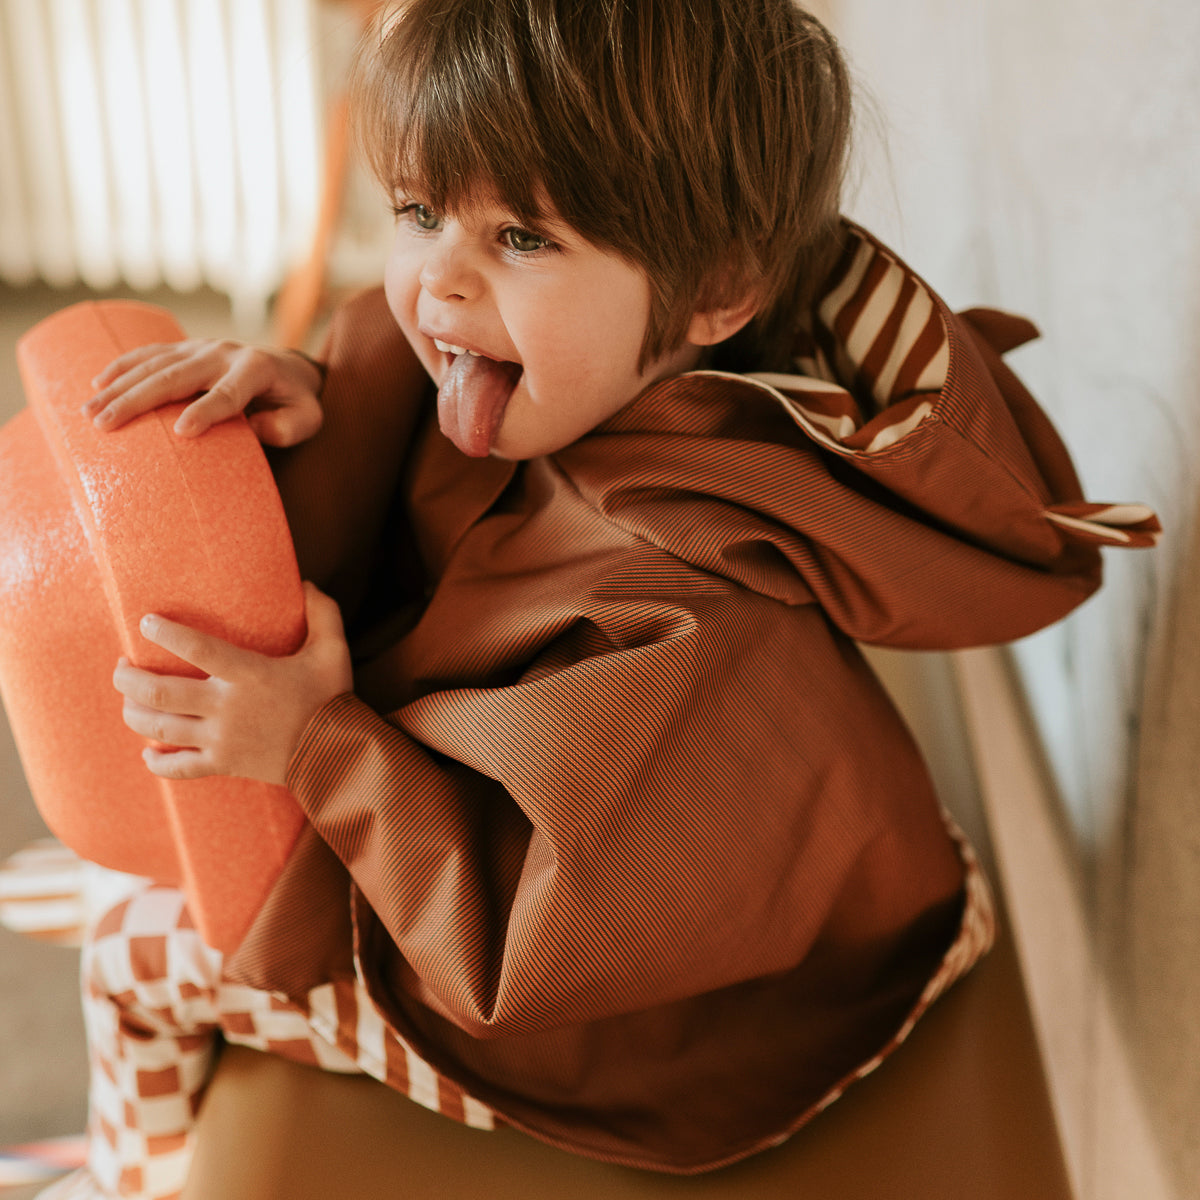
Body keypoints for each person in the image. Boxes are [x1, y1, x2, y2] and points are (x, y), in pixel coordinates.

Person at [38, 0, 1157, 1196]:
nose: (437, 292)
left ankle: (121, 1170)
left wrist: (319, 746)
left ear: (718, 289)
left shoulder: (692, 613)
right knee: (131, 860)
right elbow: (407, 391)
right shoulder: (597, 372)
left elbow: (523, 945)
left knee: (129, 950)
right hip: (833, 890)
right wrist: (306, 401)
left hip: (728, 1026)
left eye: (522, 236)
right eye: (420, 213)